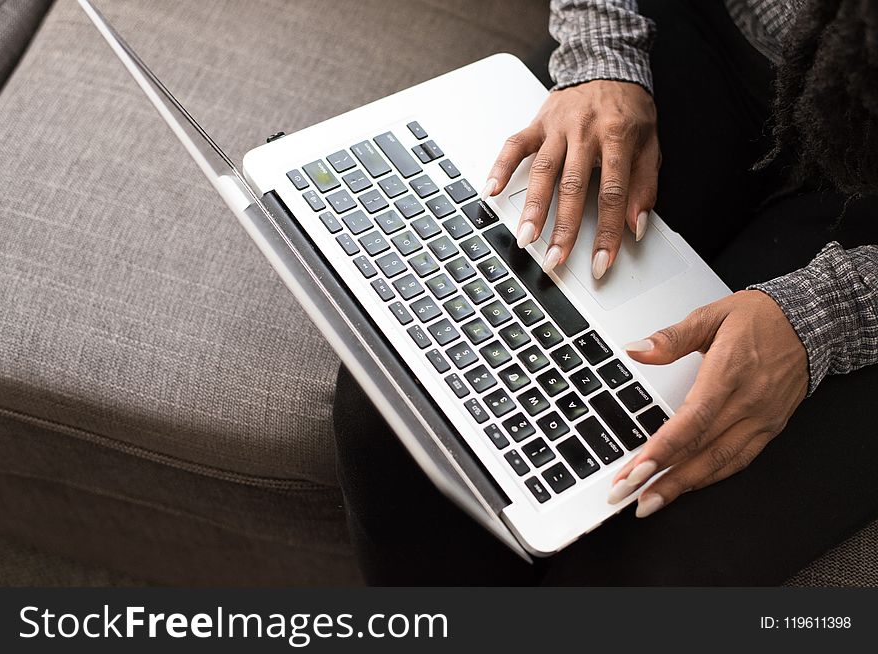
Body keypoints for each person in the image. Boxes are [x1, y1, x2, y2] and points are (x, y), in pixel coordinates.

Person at [332, 0, 878, 584]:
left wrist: (829, 313)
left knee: (648, 562)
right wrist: (601, 55)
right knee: (402, 417)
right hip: (715, 34)